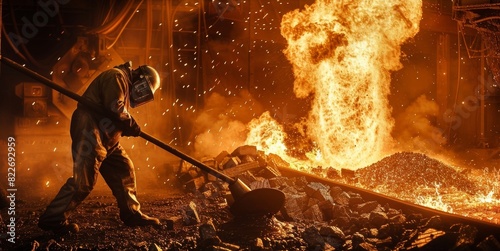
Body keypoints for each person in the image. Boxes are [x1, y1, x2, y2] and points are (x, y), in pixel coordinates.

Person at [38, 61, 162, 235]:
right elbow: (114, 107)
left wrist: (126, 127)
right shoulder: (117, 76)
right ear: (139, 77)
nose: (140, 94)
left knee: (124, 170)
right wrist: (131, 124)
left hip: (106, 136)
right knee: (84, 180)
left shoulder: (124, 85)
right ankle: (52, 218)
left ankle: (132, 213)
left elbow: (115, 113)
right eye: (142, 89)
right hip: (90, 128)